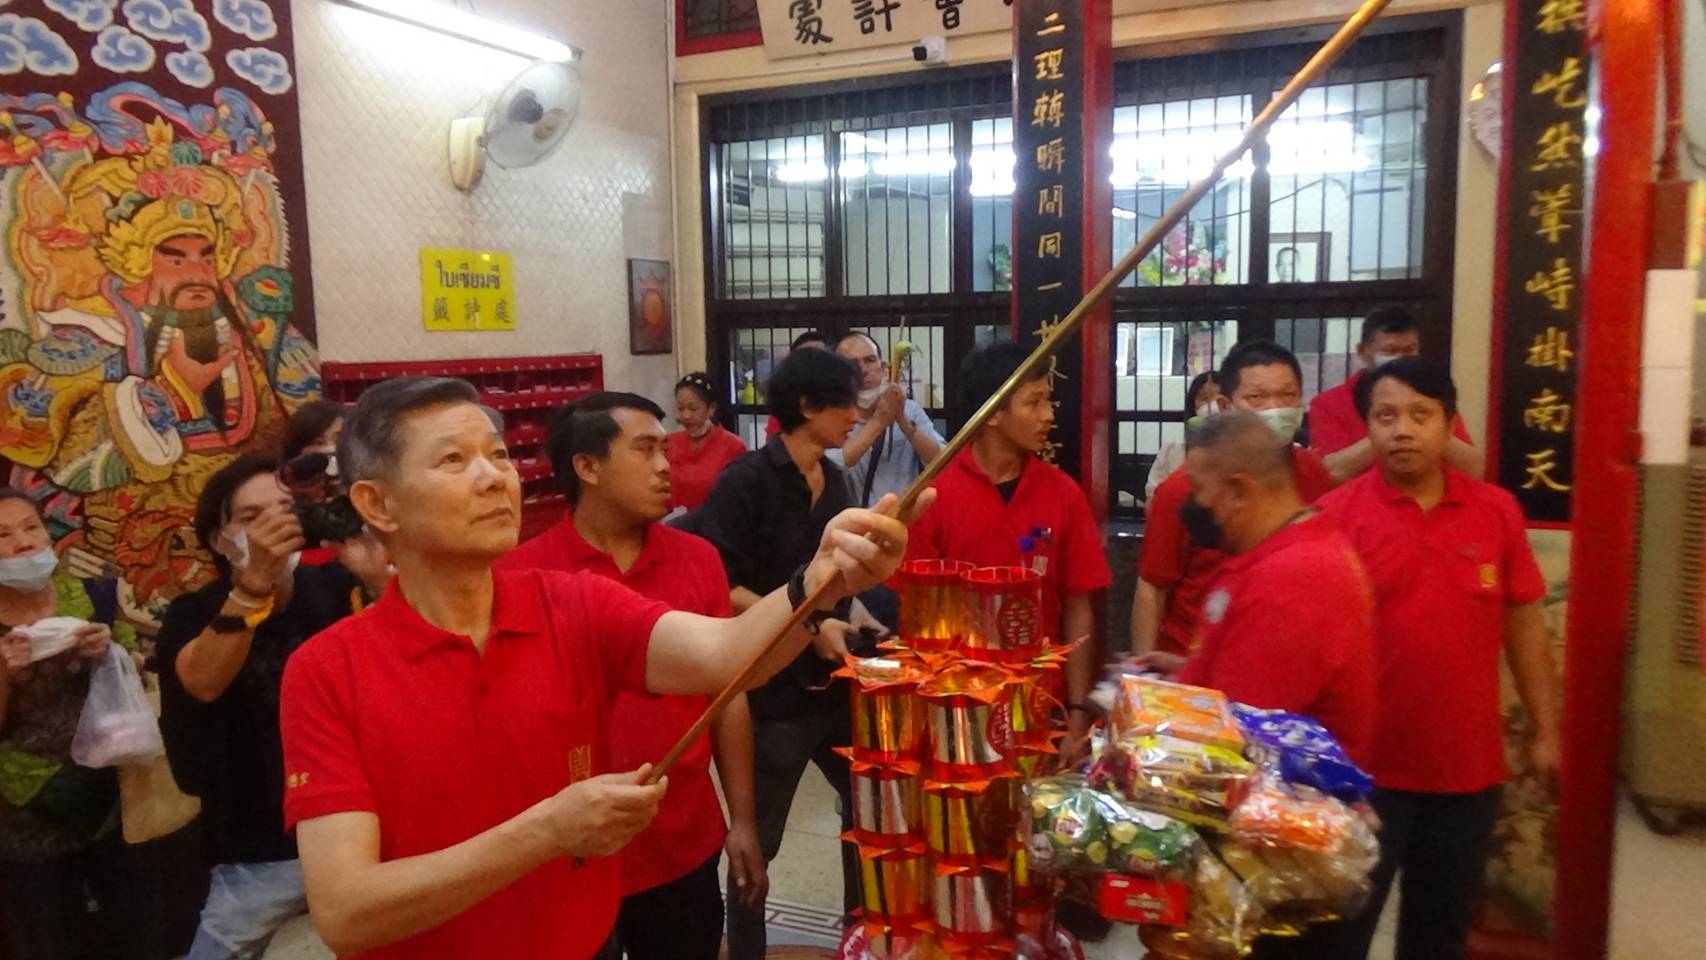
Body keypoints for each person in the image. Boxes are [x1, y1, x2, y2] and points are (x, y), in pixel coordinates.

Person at [277, 376, 919, 960]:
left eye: (498, 455)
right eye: (453, 460)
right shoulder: (328, 671)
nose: (494, 478)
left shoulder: (571, 605)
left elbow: (727, 657)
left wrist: (819, 582)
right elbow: (346, 912)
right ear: (378, 504)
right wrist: (548, 832)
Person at [495, 392, 763, 960]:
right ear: (587, 467)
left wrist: (743, 819)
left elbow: (727, 697)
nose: (666, 467)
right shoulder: (520, 576)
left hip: (681, 842)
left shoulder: (697, 559)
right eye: (645, 450)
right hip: (568, 852)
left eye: (666, 450)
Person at [1316, 359, 1560, 960]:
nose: (1402, 429)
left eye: (1420, 415)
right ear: (1367, 427)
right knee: (1339, 933)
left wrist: (1546, 730)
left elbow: (1525, 625)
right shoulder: (1334, 517)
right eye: (1385, 416)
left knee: (1439, 938)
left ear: (1449, 425)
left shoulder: (1496, 511)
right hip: (1360, 776)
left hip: (1465, 774)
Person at [156, 455, 390, 960]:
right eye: (251, 517)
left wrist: (379, 579)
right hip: (259, 849)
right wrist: (253, 584)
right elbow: (202, 683)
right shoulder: (193, 613)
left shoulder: (335, 588)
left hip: (360, 828)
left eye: (284, 509)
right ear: (220, 540)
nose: (274, 526)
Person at [680, 349, 865, 960]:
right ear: (807, 406)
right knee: (756, 843)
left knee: (866, 813)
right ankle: (747, 951)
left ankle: (858, 940)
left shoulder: (835, 480)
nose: (855, 415)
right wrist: (809, 625)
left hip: (832, 686)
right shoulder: (746, 480)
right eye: (845, 402)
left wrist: (856, 617)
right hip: (769, 693)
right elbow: (722, 585)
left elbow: (835, 582)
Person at [904, 341, 1112, 757]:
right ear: (993, 413)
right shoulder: (934, 495)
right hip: (960, 703)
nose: (1048, 414)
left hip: (1043, 700)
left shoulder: (1062, 493)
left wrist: (1076, 710)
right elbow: (916, 613)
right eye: (1033, 402)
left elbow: (1078, 606)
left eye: (1048, 400)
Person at [1139, 413, 1377, 760]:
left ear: (1239, 491)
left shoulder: (1292, 581)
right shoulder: (1277, 553)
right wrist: (1193, 671)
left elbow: (1238, 745)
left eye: (1199, 489)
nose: (1193, 505)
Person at [0, 489, 156, 960]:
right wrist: (5, 676)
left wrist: (111, 651)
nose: (23, 542)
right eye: (2, 536)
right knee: (48, 935)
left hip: (108, 791)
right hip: (27, 812)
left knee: (128, 928)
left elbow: (137, 669)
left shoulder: (88, 595)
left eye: (31, 527)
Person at [1132, 341, 1334, 657]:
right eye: (1257, 398)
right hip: (1192, 658)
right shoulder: (1183, 487)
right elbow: (1152, 586)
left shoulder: (1313, 472)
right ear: (1226, 407)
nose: (1275, 409)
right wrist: (1143, 673)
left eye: (1287, 396)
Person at [1308, 306, 1482, 485]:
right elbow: (1332, 473)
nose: (1400, 359)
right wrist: (1385, 433)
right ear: (1363, 352)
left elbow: (1474, 468)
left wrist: (1432, 428)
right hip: (1361, 500)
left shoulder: (1432, 396)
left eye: (1409, 350)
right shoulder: (1327, 404)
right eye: (1390, 351)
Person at [830, 332, 945, 508]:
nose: (863, 370)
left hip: (903, 516)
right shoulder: (832, 414)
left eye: (870, 360)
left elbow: (939, 459)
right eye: (852, 364)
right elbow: (836, 464)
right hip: (856, 519)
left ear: (883, 368)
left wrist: (903, 420)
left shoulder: (910, 409)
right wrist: (880, 421)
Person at [281, 399, 349, 567]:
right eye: (318, 443)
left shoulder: (367, 491)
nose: (330, 448)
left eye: (338, 439)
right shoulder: (285, 500)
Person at [665, 373, 746, 512]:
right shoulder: (669, 443)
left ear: (711, 408)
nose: (686, 416)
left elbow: (739, 495)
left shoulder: (732, 446)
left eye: (693, 409)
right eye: (680, 408)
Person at [1145, 371, 1221, 501]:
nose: (1212, 406)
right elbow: (1153, 496)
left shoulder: (1242, 451)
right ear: (1193, 406)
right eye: (1204, 398)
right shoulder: (1173, 450)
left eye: (1219, 400)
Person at [763, 330, 831, 440]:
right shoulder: (784, 405)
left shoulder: (840, 399)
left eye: (819, 357)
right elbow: (774, 445)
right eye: (805, 357)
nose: (812, 363)